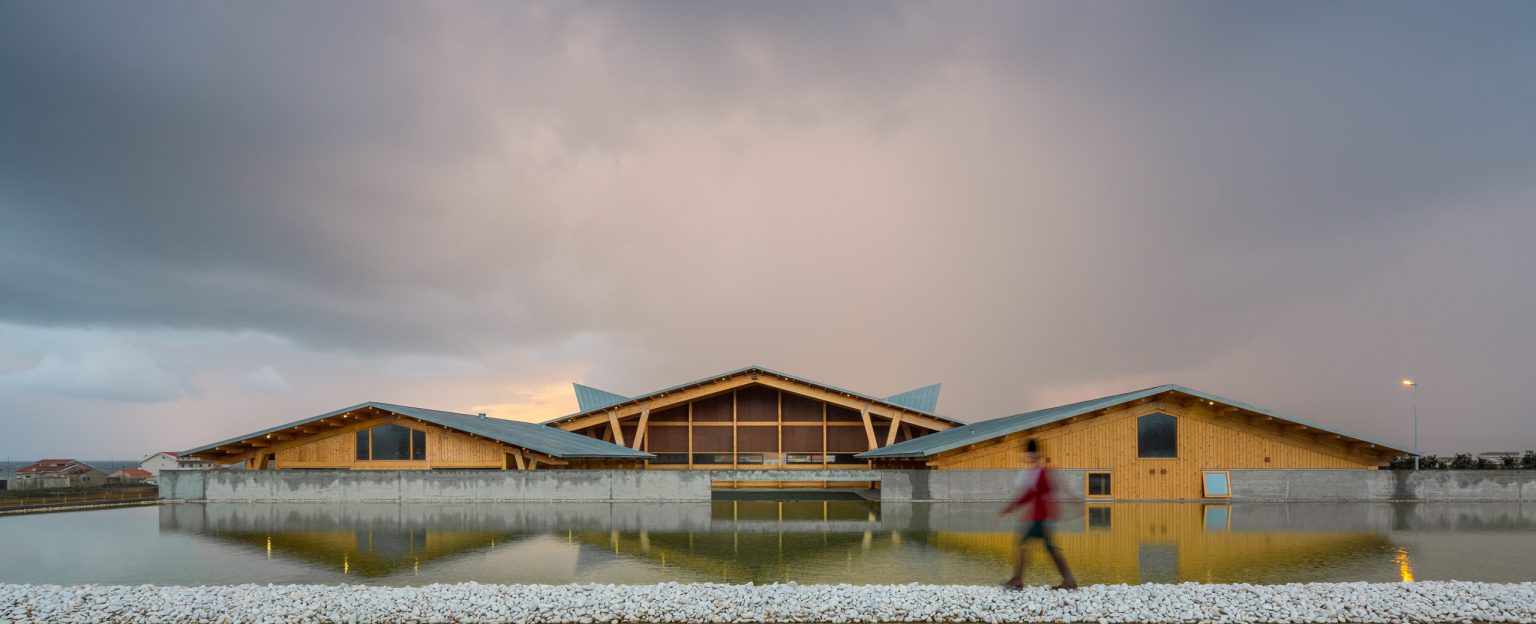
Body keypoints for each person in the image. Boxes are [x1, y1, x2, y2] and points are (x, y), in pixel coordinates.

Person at [997, 438, 1077, 590]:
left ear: (1034, 453)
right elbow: (1030, 494)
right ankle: (1068, 580)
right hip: (1041, 515)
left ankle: (1018, 579)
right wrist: (1009, 509)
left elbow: (1041, 491)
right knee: (1047, 547)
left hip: (1042, 515)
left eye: (1029, 453)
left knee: (1025, 544)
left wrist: (1009, 509)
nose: (1027, 456)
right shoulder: (1037, 471)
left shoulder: (1041, 471)